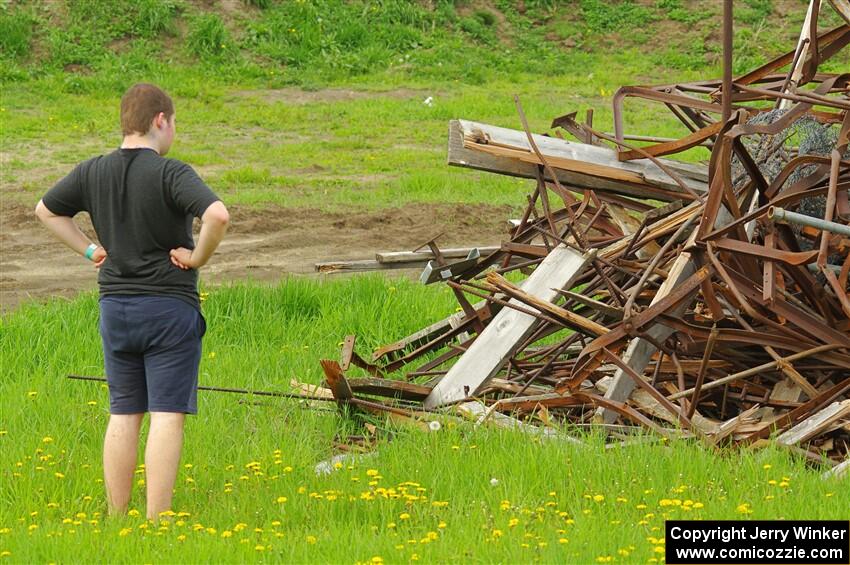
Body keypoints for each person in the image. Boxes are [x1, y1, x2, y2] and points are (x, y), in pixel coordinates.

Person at [35, 83, 229, 520]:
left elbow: (45, 211)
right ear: (160, 120)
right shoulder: (171, 172)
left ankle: (117, 517)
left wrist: (89, 251)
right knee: (166, 414)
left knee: (123, 413)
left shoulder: (92, 171)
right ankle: (158, 521)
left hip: (116, 310)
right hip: (168, 309)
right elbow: (217, 215)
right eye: (174, 122)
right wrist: (197, 256)